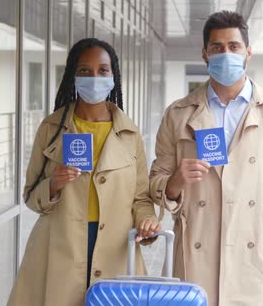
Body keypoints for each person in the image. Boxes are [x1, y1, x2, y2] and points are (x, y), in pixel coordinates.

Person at [149, 11, 263, 305]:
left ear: (248, 52)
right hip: (196, 254)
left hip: (255, 256)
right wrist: (174, 182)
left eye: (233, 46)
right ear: (205, 54)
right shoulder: (178, 114)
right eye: (217, 47)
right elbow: (156, 181)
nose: (226, 54)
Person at [8, 38, 160, 306]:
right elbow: (31, 196)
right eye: (85, 71)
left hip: (115, 248)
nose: (94, 78)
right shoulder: (51, 128)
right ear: (73, 77)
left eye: (102, 71)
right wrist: (53, 184)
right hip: (59, 248)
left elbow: (141, 197)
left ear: (113, 76)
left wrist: (147, 221)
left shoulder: (129, 132)